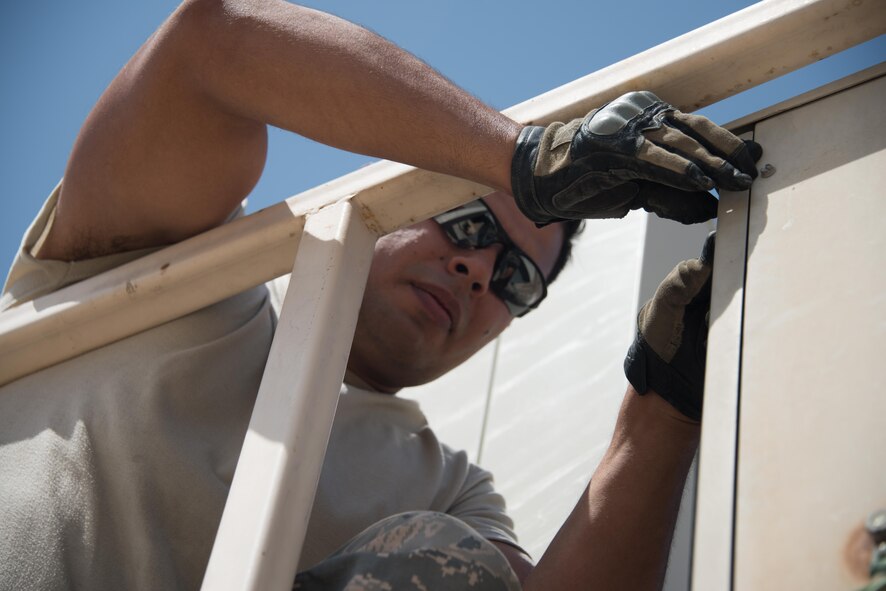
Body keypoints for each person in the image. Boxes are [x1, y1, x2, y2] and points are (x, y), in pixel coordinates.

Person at [0, 1, 758, 589]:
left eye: (514, 277)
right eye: (466, 224)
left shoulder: (444, 488)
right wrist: (525, 157)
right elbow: (211, 46)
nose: (476, 270)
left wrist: (664, 412)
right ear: (398, 202)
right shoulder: (173, 274)